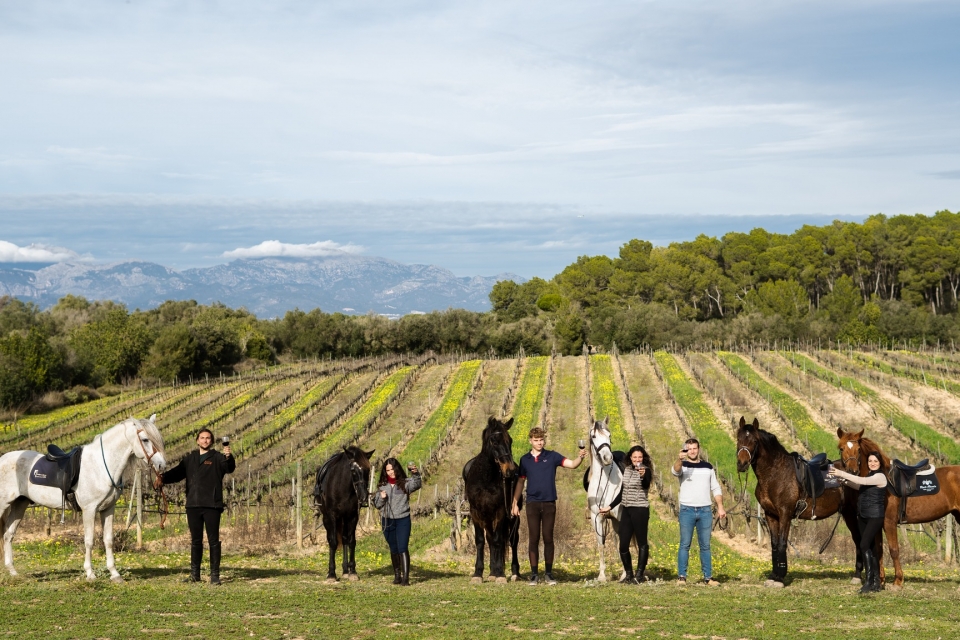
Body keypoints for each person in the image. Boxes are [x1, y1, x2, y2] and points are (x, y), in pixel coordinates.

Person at [510, 427, 587, 586]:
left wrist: (580, 457)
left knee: (548, 537)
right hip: (532, 504)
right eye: (536, 440)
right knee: (533, 538)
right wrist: (515, 503)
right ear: (530, 441)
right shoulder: (525, 460)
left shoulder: (552, 456)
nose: (539, 443)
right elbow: (520, 482)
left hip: (549, 503)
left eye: (541, 440)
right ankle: (534, 574)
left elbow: (572, 464)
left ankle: (549, 574)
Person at [159, 428, 235, 585]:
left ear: (212, 441)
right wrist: (162, 478)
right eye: (202, 438)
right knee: (196, 541)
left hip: (212, 505)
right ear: (197, 441)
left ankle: (215, 576)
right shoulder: (190, 459)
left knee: (214, 541)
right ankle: (195, 575)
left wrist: (229, 456)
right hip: (193, 505)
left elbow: (230, 468)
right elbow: (177, 473)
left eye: (208, 438)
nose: (205, 440)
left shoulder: (219, 458)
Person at [829, 452, 887, 593]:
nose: (872, 463)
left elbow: (862, 482)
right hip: (863, 516)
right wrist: (842, 481)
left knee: (864, 544)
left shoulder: (880, 476)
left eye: (875, 461)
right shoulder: (869, 476)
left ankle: (868, 581)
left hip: (875, 516)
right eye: (870, 461)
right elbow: (860, 486)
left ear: (880, 463)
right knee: (871, 548)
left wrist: (841, 473)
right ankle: (876, 582)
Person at [672, 438, 725, 586]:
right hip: (687, 510)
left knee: (706, 545)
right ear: (685, 450)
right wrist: (679, 459)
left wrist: (720, 506)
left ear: (698, 449)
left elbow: (715, 487)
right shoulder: (682, 465)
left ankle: (708, 578)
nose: (692, 451)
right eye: (689, 449)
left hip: (705, 510)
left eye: (694, 448)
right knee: (684, 544)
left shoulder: (708, 467)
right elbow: (675, 471)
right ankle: (681, 577)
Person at [607, 445, 653, 583]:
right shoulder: (626, 470)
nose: (637, 459)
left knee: (642, 543)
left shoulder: (646, 470)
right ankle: (629, 574)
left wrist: (643, 475)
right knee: (623, 545)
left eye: (640, 457)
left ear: (643, 458)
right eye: (635, 457)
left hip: (640, 509)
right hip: (625, 509)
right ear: (630, 458)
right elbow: (622, 492)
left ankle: (639, 575)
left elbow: (646, 484)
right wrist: (609, 506)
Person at [372, 458, 422, 586]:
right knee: (393, 548)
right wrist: (382, 498)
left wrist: (415, 473)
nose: (390, 472)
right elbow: (377, 504)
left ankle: (405, 579)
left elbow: (417, 483)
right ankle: (397, 576)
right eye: (388, 470)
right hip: (387, 521)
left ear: (397, 469)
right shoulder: (382, 486)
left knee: (402, 547)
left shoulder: (405, 483)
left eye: (392, 469)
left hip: (403, 520)